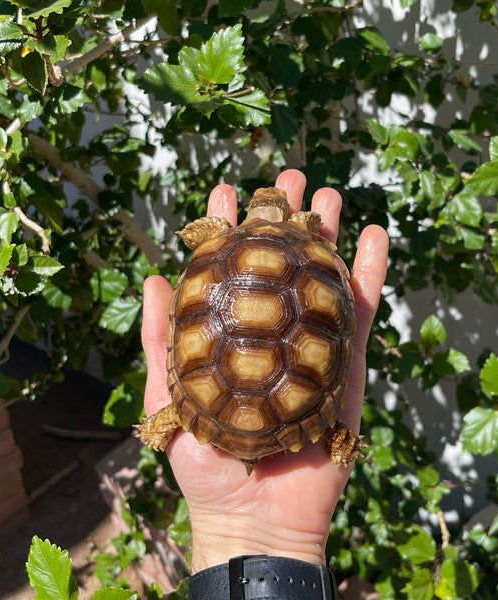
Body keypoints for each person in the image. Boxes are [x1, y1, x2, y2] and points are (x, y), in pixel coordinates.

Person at [140, 169, 389, 599]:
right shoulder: (313, 241)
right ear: (284, 210)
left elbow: (194, 239)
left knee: (179, 406)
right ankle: (334, 434)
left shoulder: (218, 236)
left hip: (209, 399)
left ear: (255, 210)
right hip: (297, 404)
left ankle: (171, 417)